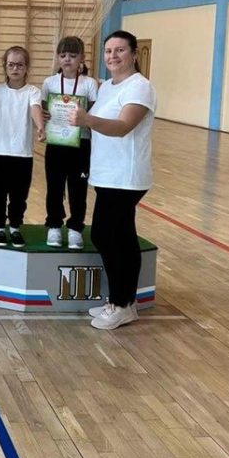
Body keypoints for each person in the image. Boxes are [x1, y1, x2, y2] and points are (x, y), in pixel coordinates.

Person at [70, 30, 156, 330]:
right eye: (108, 51)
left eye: (120, 50)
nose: (113, 56)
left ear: (134, 54)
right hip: (107, 174)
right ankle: (125, 302)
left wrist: (86, 120)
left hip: (126, 176)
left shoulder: (140, 87)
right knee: (122, 236)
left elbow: (122, 127)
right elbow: (94, 125)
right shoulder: (106, 86)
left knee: (106, 235)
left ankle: (121, 304)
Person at [0, 46, 44, 248]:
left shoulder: (33, 92)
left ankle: (15, 227)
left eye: (20, 65)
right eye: (11, 65)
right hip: (0, 151)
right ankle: (0, 227)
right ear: (5, 67)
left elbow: (35, 109)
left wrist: (40, 126)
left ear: (26, 68)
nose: (15, 69)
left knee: (19, 195)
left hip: (22, 154)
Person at [42, 36, 98, 250]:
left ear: (82, 58)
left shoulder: (89, 83)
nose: (67, 59)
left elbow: (95, 112)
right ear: (58, 57)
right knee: (54, 187)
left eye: (73, 56)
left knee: (78, 188)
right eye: (63, 55)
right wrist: (44, 115)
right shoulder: (49, 82)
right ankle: (54, 225)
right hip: (56, 143)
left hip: (81, 143)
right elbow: (43, 109)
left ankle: (75, 228)